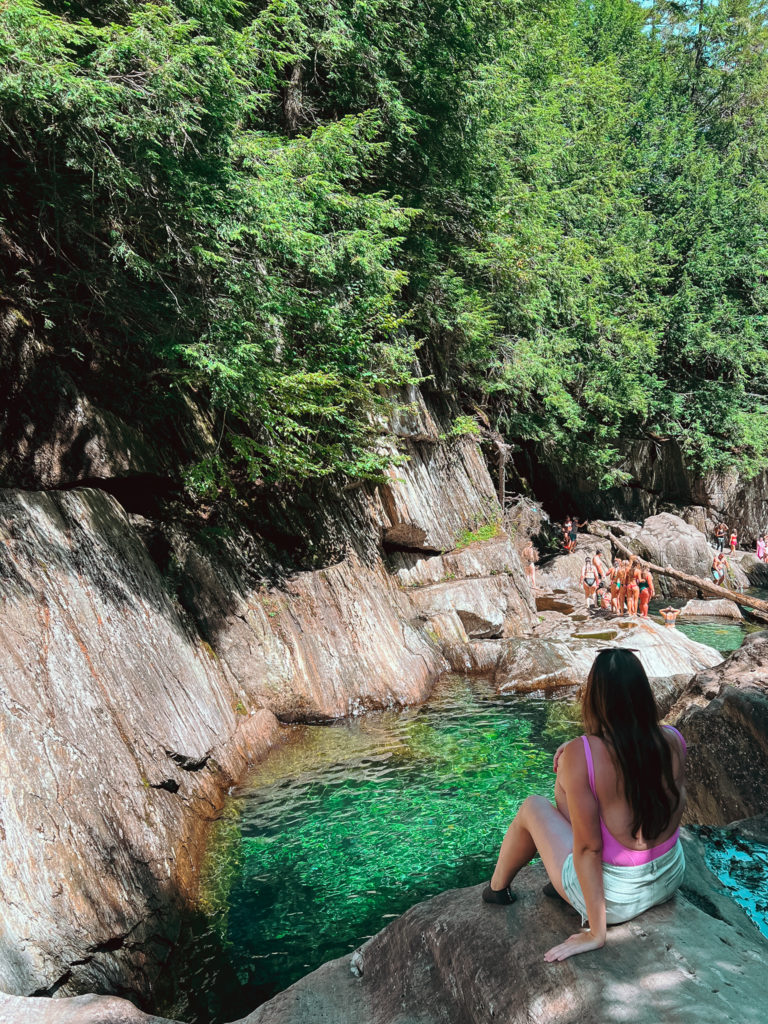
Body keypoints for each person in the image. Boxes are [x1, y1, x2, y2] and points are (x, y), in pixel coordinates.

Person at [481, 649, 687, 963]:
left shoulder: (584, 755)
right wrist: (580, 752)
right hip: (670, 877)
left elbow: (590, 848)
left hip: (617, 900)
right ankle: (558, 880)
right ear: (643, 694)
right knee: (571, 778)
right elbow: (630, 766)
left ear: (594, 698)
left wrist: (597, 932)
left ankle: (497, 889)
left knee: (533, 806)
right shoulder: (673, 739)